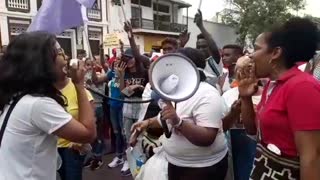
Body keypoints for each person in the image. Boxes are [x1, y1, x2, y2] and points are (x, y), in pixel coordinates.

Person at [0, 31, 96, 180]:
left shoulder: (18, 97)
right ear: (41, 62)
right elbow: (88, 133)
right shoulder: (38, 105)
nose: (65, 57)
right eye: (59, 52)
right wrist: (79, 85)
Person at [239, 18, 320, 179]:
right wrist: (245, 98)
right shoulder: (272, 84)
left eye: (256, 48)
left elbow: (312, 157)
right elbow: (253, 131)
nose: (251, 55)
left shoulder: (302, 86)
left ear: (275, 53)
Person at [131, 47, 228, 180]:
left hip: (202, 169)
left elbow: (207, 138)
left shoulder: (207, 93)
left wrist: (178, 122)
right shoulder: (178, 92)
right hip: (177, 165)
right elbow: (165, 117)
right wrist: (146, 123)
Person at [194, 10, 223, 88]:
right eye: (198, 47)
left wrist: (200, 26)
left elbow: (213, 47)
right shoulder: (194, 63)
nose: (201, 49)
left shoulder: (214, 61)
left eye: (204, 46)